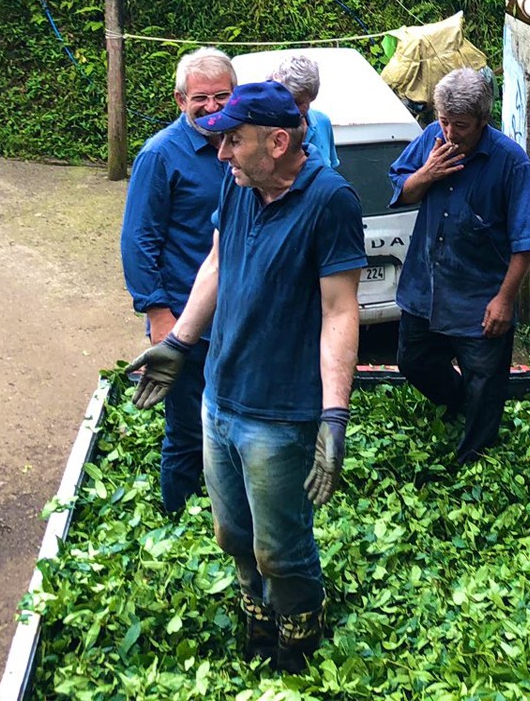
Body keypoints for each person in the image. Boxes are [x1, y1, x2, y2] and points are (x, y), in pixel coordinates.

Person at [127, 80, 365, 671]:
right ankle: (258, 627)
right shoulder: (238, 187)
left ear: (278, 142)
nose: (221, 151)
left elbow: (340, 310)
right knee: (233, 536)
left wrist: (334, 416)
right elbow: (216, 261)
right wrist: (180, 341)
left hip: (280, 415)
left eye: (234, 139)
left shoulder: (329, 200)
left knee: (280, 550)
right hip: (219, 398)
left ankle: (298, 647)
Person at [389, 67, 530, 463]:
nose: (451, 134)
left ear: (483, 121)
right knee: (413, 361)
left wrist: (505, 301)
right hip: (426, 288)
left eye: (461, 125)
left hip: (480, 297)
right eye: (444, 122)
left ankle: (475, 459)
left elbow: (525, 243)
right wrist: (427, 174)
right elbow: (401, 190)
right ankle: (456, 402)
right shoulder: (431, 141)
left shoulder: (511, 163)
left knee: (485, 384)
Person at [118, 47, 234, 514]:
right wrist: (160, 317)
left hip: (236, 317)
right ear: (179, 100)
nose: (212, 107)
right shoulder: (161, 155)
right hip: (187, 319)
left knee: (225, 420)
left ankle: (222, 508)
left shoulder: (240, 145)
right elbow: (138, 241)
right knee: (185, 429)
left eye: (222, 96)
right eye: (200, 98)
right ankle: (177, 523)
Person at [270, 54, 338, 167]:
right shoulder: (262, 128)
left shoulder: (322, 122)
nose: (291, 109)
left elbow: (331, 172)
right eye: (285, 100)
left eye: (298, 103)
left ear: (312, 97)